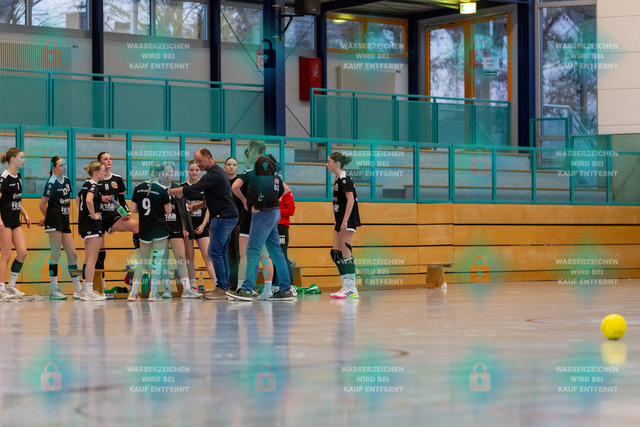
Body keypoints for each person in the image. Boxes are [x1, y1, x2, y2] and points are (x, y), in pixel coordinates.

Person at [226, 140, 294, 301]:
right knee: (275, 252)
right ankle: (286, 290)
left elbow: (236, 187)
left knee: (252, 251)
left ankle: (247, 289)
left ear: (252, 151)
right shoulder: (272, 168)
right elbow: (285, 188)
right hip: (274, 212)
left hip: (263, 214)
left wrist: (253, 203)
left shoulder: (257, 168)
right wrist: (272, 202)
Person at [168, 148, 238, 300]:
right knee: (220, 251)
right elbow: (217, 197)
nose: (198, 165)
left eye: (200, 161)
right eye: (196, 162)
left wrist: (168, 191)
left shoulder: (214, 174)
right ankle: (225, 286)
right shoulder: (216, 173)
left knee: (214, 251)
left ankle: (221, 287)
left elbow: (192, 190)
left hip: (223, 217)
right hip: (227, 215)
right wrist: (199, 205)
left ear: (209, 157)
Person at [231, 147, 275, 297]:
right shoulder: (272, 175)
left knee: (246, 256)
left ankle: (242, 288)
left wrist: (244, 200)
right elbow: (285, 190)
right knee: (265, 256)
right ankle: (268, 290)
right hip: (267, 218)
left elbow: (234, 187)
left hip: (250, 218)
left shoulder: (248, 174)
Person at [38, 156, 83, 300]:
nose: (64, 167)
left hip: (65, 221)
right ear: (54, 168)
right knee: (55, 254)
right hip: (55, 223)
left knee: (73, 255)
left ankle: (78, 289)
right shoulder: (51, 182)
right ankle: (54, 289)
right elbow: (42, 205)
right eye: (61, 165)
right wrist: (49, 219)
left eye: (65, 164)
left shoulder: (67, 181)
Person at [96, 151, 140, 293]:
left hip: (113, 217)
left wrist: (126, 212)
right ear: (99, 162)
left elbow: (121, 201)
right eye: (105, 159)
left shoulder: (117, 179)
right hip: (98, 217)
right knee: (100, 252)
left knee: (137, 226)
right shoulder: (94, 179)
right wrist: (99, 199)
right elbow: (86, 199)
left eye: (110, 158)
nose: (109, 161)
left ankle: (141, 259)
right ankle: (101, 286)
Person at [128, 162, 172, 302]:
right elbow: (168, 211)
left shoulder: (138, 187)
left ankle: (133, 293)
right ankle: (153, 294)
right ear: (161, 173)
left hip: (144, 230)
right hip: (159, 230)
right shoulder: (162, 190)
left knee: (143, 261)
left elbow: (133, 209)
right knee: (157, 262)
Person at [159, 163, 201, 299]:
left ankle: (187, 289)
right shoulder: (156, 188)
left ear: (173, 174)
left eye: (170, 172)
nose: (167, 175)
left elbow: (182, 210)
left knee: (181, 258)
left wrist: (184, 228)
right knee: (163, 260)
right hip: (161, 229)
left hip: (176, 228)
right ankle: (167, 289)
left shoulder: (178, 189)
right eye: (165, 172)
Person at [326, 152, 361, 299]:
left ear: (337, 164)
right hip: (340, 220)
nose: (327, 164)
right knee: (336, 254)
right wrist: (338, 220)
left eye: (329, 162)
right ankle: (346, 286)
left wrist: (345, 220)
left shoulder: (345, 179)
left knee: (346, 253)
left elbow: (351, 200)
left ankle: (352, 289)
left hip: (348, 220)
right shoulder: (338, 179)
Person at [182, 160, 217, 292]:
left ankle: (217, 285)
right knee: (189, 257)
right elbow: (180, 210)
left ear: (200, 171)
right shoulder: (183, 187)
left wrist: (203, 225)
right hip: (188, 227)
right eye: (192, 170)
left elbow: (210, 207)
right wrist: (184, 227)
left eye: (197, 170)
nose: (194, 172)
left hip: (202, 226)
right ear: (188, 170)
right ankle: (193, 287)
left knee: (208, 256)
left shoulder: (205, 186)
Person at [0, 148, 30, 299]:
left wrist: (25, 213)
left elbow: (16, 199)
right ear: (13, 159)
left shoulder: (18, 176)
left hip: (15, 221)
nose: (24, 160)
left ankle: (11, 286)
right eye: (21, 157)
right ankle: (1, 289)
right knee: (6, 255)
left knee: (22, 252)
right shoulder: (4, 177)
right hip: (4, 221)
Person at [76, 161, 108, 301]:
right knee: (92, 259)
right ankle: (89, 291)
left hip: (85, 225)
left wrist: (83, 215)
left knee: (88, 258)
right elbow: (89, 200)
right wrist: (93, 215)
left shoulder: (86, 184)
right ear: (96, 172)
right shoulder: (93, 186)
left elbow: (77, 201)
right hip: (92, 225)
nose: (104, 173)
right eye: (102, 170)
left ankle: (86, 289)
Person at [224, 157, 242, 291]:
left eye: (234, 165)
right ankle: (231, 284)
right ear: (225, 167)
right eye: (229, 164)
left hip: (239, 223)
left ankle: (242, 284)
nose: (231, 167)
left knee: (239, 253)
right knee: (228, 254)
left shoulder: (241, 182)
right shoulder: (221, 182)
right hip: (224, 223)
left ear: (237, 168)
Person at [274, 182, 295, 293]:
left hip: (281, 226)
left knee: (282, 255)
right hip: (270, 226)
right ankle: (274, 285)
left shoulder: (286, 190)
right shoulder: (268, 189)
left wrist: (274, 211)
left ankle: (289, 286)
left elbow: (291, 211)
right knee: (271, 256)